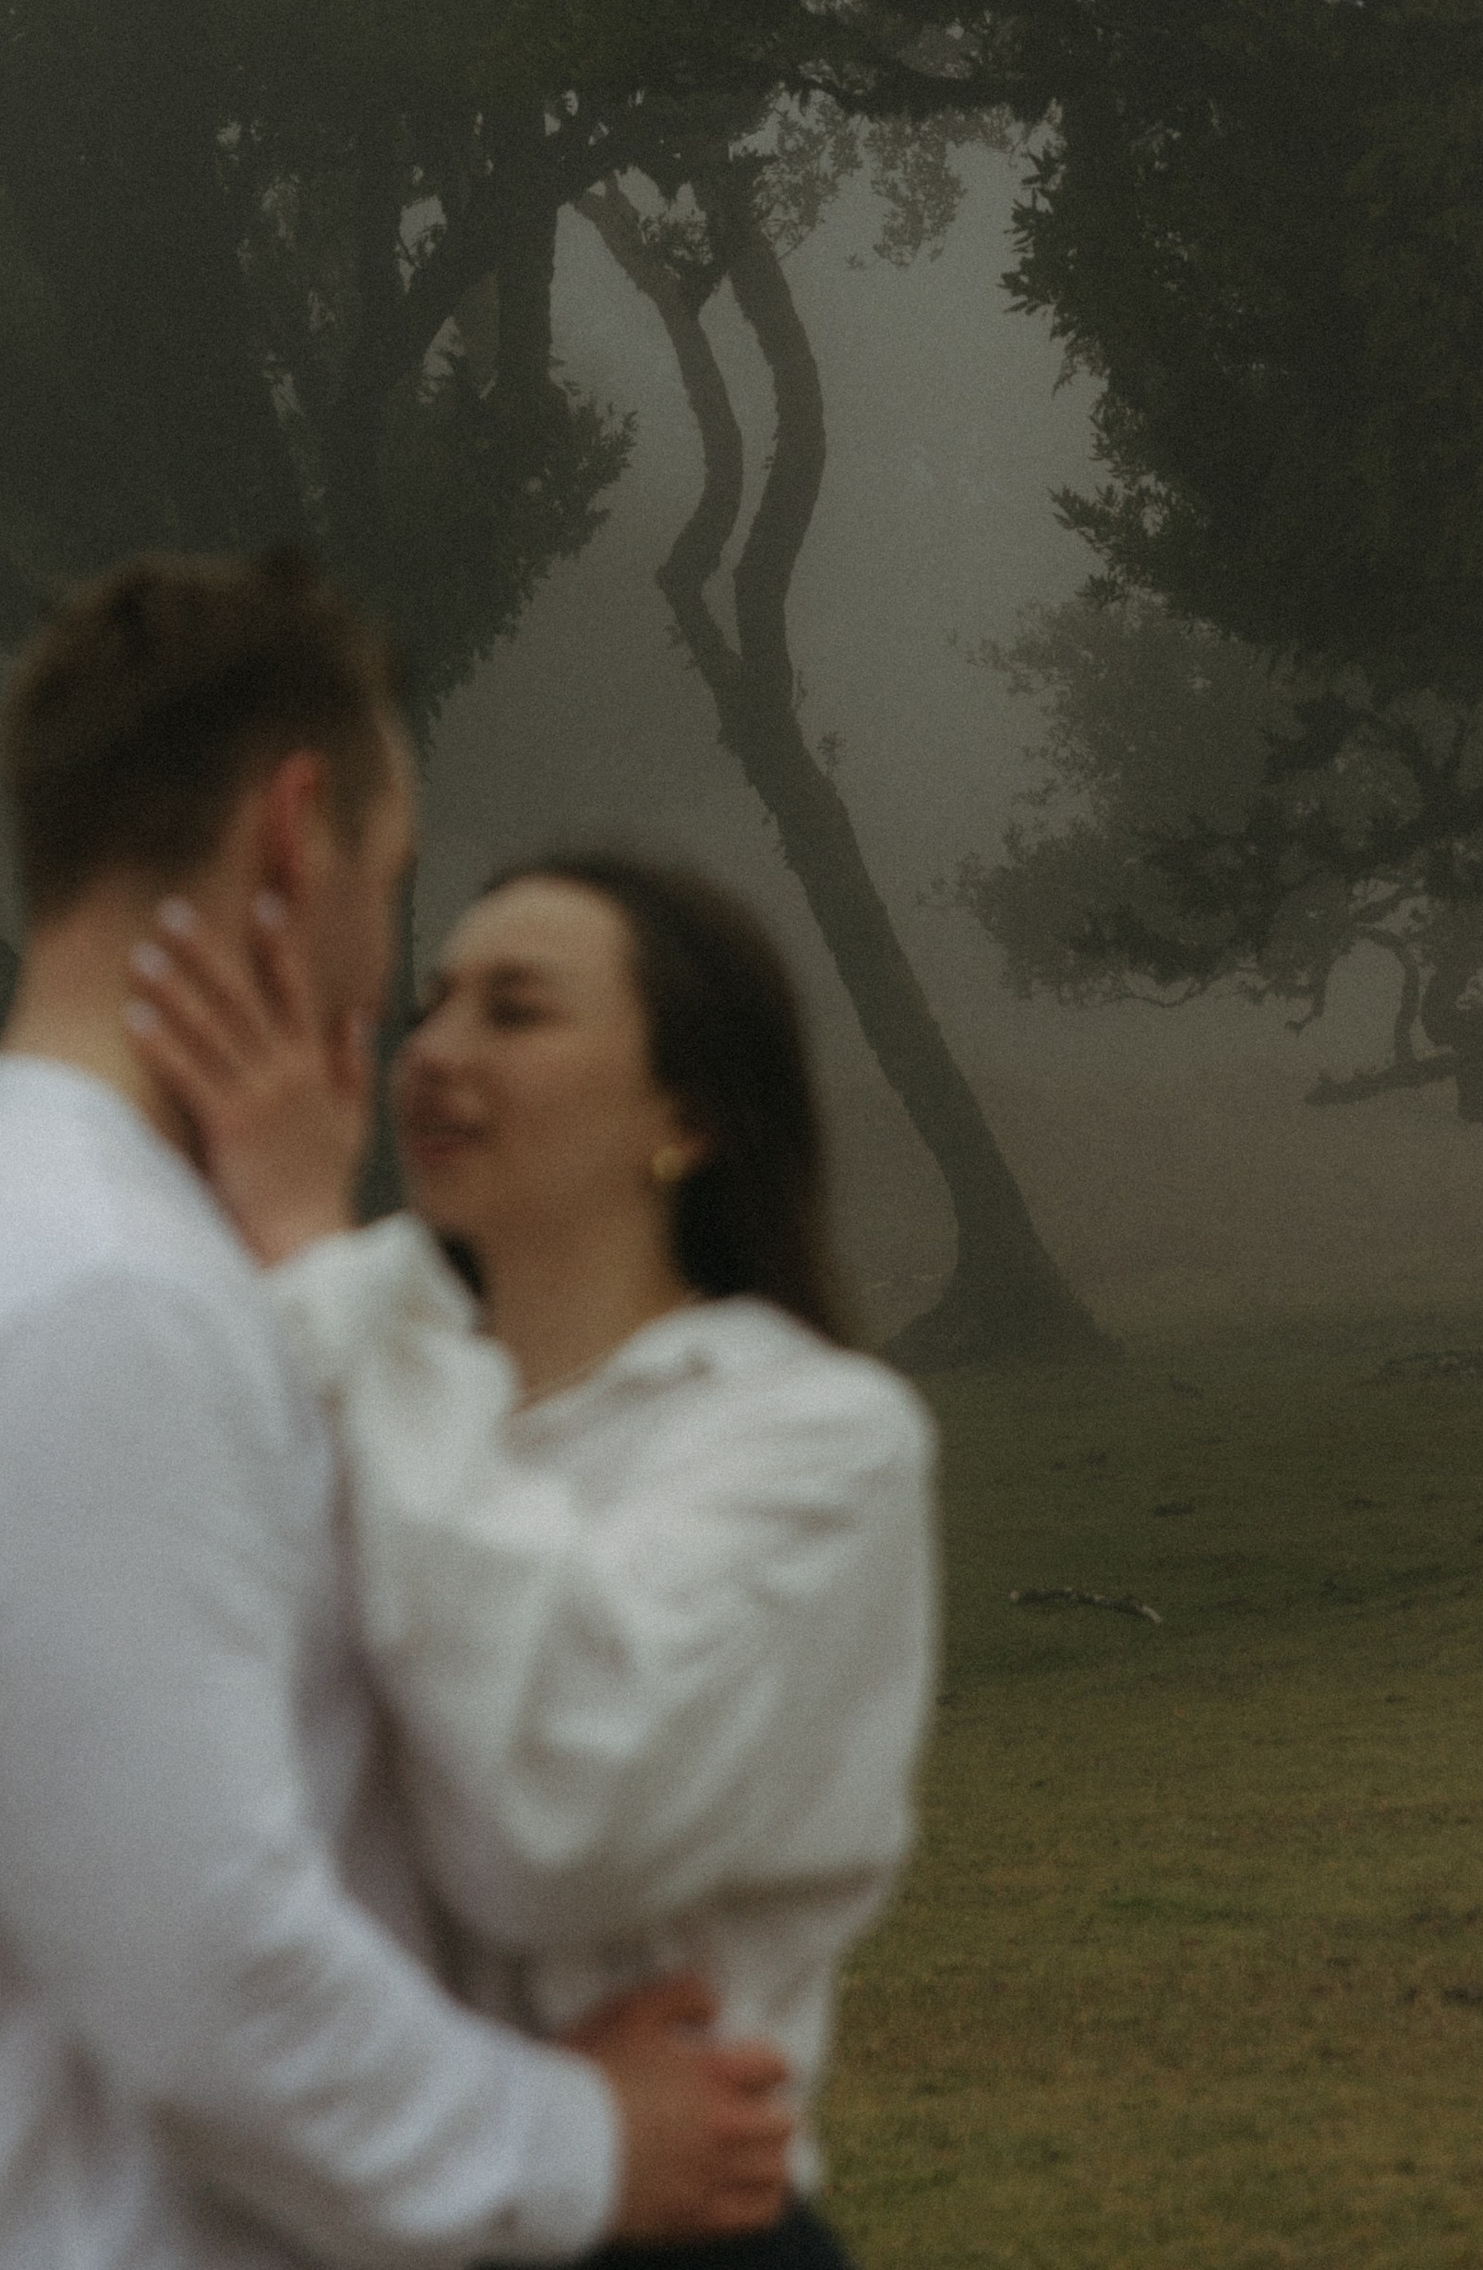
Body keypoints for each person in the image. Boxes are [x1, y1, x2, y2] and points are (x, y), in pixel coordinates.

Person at [0, 553, 797, 2270]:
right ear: (295, 832)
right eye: (393, 875)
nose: (395, 969)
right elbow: (204, 1965)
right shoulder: (103, 1306)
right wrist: (583, 2144)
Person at [126, 849, 938, 2270]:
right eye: (433, 1004)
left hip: (669, 2234)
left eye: (516, 1012)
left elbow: (560, 1824)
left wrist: (313, 1251)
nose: (434, 1053)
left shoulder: (819, 1440)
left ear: (686, 1112)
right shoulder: (349, 1367)